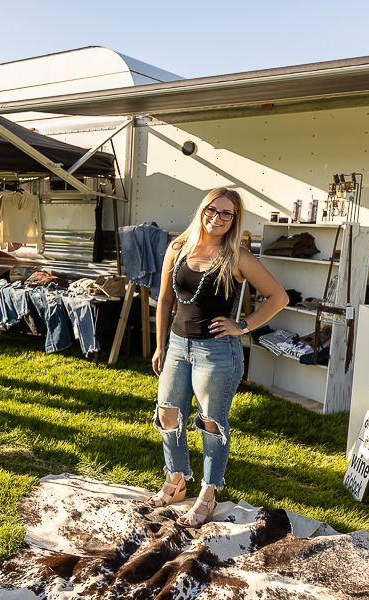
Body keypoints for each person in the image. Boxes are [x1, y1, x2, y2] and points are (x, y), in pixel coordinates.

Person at [148, 187, 288, 527]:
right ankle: (176, 480)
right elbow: (165, 299)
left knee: (211, 423)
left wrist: (242, 326)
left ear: (234, 220)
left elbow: (278, 297)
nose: (217, 218)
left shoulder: (236, 256)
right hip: (178, 346)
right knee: (168, 414)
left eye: (227, 214)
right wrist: (160, 344)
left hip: (216, 353)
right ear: (202, 209)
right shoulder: (178, 247)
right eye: (213, 209)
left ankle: (208, 494)